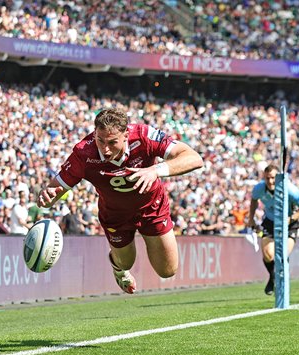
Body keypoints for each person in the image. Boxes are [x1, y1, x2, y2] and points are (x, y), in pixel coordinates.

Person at [37, 108, 204, 294]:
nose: (105, 149)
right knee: (126, 261)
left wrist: (155, 170)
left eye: (112, 142)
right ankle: (118, 268)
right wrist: (47, 196)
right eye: (100, 140)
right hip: (115, 214)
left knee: (167, 270)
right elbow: (54, 190)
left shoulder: (144, 136)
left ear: (126, 135)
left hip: (152, 207)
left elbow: (194, 158)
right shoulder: (84, 153)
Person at [246, 164, 299, 295]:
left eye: (273, 178)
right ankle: (272, 278)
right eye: (267, 178)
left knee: (282, 254)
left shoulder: (289, 189)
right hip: (270, 221)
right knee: (268, 254)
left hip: (289, 223)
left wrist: (291, 218)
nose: (270, 181)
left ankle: (279, 280)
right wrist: (251, 219)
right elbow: (254, 201)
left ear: (279, 178)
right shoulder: (259, 188)